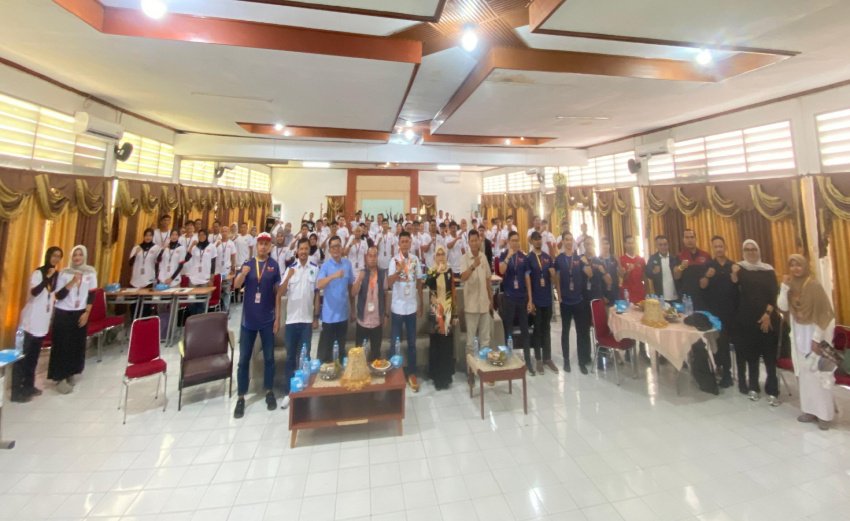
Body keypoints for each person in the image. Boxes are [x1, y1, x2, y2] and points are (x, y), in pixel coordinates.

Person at [778, 254, 836, 430]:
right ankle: (810, 410)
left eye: (798, 265)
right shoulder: (791, 286)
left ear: (805, 266)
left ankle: (825, 415)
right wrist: (784, 287)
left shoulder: (814, 286)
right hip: (798, 336)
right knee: (805, 376)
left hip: (815, 335)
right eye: (792, 265)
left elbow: (823, 314)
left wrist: (817, 339)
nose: (795, 269)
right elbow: (782, 306)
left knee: (819, 376)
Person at [232, 232, 282, 418]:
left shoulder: (274, 266)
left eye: (266, 244)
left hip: (267, 320)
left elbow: (277, 294)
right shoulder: (248, 264)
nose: (263, 247)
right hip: (249, 321)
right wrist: (242, 274)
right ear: (256, 246)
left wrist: (278, 318)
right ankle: (241, 396)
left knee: (269, 358)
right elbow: (236, 285)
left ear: (270, 247)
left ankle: (269, 391)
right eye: (261, 243)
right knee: (244, 359)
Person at [732, 239, 780, 404]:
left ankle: (772, 390)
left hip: (768, 319)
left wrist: (767, 314)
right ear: (743, 252)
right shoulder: (740, 268)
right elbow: (734, 288)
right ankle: (753, 387)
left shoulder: (768, 270)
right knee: (752, 356)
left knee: (769, 357)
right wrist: (734, 274)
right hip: (747, 320)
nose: (751, 252)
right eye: (747, 249)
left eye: (754, 249)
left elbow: (773, 294)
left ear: (758, 251)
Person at [12, 247, 62, 402]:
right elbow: (34, 292)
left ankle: (28, 385)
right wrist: (47, 278)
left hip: (42, 323)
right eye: (54, 255)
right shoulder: (38, 273)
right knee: (21, 358)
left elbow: (56, 295)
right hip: (28, 323)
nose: (56, 259)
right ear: (48, 256)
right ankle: (16, 392)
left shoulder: (57, 276)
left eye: (59, 256)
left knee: (33, 358)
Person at [48, 245, 97, 394]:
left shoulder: (90, 272)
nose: (77, 258)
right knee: (62, 345)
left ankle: (70, 372)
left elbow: (92, 295)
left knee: (75, 345)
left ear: (84, 256)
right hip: (63, 313)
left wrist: (87, 313)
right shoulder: (64, 273)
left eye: (80, 255)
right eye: (75, 255)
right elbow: (59, 295)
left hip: (80, 313)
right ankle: (60, 377)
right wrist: (72, 282)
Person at [280, 237, 320, 407]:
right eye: (301, 249)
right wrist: (288, 278)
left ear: (309, 251)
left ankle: (305, 390)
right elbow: (281, 292)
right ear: (296, 251)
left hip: (306, 321)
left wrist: (316, 317)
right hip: (291, 320)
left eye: (306, 249)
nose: (303, 251)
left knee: (305, 357)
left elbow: (317, 294)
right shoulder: (290, 269)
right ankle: (289, 392)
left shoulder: (314, 269)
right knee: (290, 357)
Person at [388, 231, 424, 391]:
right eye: (402, 241)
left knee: (412, 343)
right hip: (397, 307)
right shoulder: (394, 260)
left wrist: (421, 302)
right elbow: (389, 283)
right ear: (398, 244)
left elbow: (420, 282)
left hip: (411, 307)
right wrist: (398, 271)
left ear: (410, 243)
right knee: (395, 343)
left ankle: (412, 373)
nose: (404, 244)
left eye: (407, 241)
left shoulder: (415, 259)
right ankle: (393, 374)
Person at [699, 236, 736, 387]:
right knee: (718, 342)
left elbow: (737, 285)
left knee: (725, 342)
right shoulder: (708, 265)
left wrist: (735, 276)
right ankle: (721, 369)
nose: (719, 249)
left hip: (731, 310)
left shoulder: (732, 265)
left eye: (721, 246)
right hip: (715, 312)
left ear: (725, 247)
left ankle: (727, 373)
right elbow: (702, 285)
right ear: (712, 248)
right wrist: (707, 276)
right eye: (716, 247)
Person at [554, 232, 592, 374]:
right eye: (566, 240)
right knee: (565, 331)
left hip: (578, 300)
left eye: (571, 240)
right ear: (563, 242)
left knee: (581, 332)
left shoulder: (579, 258)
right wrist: (559, 296)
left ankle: (582, 361)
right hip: (565, 301)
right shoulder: (559, 259)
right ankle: (566, 360)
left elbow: (590, 274)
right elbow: (557, 279)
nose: (569, 242)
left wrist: (586, 261)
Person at [497, 231, 534, 374]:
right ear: (508, 242)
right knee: (509, 330)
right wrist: (508, 256)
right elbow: (501, 270)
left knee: (525, 330)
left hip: (522, 298)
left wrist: (530, 299)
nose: (516, 243)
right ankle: (509, 359)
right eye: (513, 240)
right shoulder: (503, 255)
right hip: (509, 298)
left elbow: (527, 279)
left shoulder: (524, 257)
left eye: (517, 240)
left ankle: (528, 361)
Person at [316, 235, 354, 361]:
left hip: (343, 315)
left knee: (340, 351)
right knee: (326, 354)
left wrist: (353, 310)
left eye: (338, 246)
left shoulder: (347, 264)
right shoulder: (326, 266)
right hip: (329, 317)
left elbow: (350, 287)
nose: (336, 249)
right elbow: (319, 284)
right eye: (333, 247)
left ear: (341, 247)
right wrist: (333, 276)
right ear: (329, 250)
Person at [525, 231, 557, 374]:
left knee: (547, 328)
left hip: (547, 299)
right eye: (535, 239)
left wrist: (553, 275)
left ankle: (547, 357)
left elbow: (553, 280)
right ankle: (538, 358)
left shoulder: (547, 257)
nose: (538, 241)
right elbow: (528, 282)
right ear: (531, 241)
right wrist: (530, 301)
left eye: (539, 239)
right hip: (536, 299)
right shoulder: (529, 259)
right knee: (537, 329)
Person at [425, 245, 456, 390]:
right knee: (436, 344)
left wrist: (455, 313)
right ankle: (437, 377)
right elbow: (428, 283)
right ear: (434, 257)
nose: (441, 257)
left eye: (443, 254)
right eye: (438, 255)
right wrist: (436, 271)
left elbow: (453, 292)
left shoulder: (449, 271)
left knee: (447, 344)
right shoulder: (431, 271)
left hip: (447, 312)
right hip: (435, 312)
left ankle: (446, 377)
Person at [461, 230, 493, 355]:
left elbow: (488, 279)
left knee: (485, 341)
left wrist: (491, 300)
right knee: (470, 342)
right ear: (468, 242)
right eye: (472, 241)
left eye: (476, 240)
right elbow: (463, 277)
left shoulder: (483, 257)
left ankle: (483, 365)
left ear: (479, 241)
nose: (474, 243)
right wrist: (473, 266)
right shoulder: (464, 258)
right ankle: (470, 366)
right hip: (471, 306)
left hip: (484, 304)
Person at [352, 246, 386, 361]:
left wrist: (385, 314)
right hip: (363, 321)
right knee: (359, 355)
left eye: (374, 256)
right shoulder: (361, 273)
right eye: (370, 256)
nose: (372, 258)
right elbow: (353, 293)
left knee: (376, 355)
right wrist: (359, 280)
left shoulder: (382, 273)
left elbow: (384, 294)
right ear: (366, 257)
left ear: (377, 257)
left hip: (377, 321)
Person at [129, 228, 162, 317]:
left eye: (150, 235)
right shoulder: (137, 247)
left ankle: (145, 321)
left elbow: (159, 261)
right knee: (134, 303)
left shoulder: (156, 248)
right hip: (136, 280)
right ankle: (134, 320)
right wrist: (135, 254)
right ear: (143, 236)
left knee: (146, 303)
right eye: (146, 235)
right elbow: (130, 263)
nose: (148, 237)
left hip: (149, 279)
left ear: (152, 237)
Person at [185, 229, 217, 316]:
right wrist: (191, 245)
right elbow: (186, 258)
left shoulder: (212, 247)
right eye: (199, 235)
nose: (201, 236)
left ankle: (200, 320)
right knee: (191, 301)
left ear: (207, 236)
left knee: (202, 302)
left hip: (205, 278)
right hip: (194, 278)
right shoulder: (195, 247)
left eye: (203, 234)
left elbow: (213, 262)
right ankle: (193, 319)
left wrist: (212, 277)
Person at [678, 229, 710, 310]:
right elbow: (676, 276)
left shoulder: (706, 255)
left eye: (692, 237)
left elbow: (711, 274)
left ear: (696, 239)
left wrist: (706, 277)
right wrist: (681, 267)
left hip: (704, 297)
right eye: (687, 237)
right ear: (683, 240)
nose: (689, 240)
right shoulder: (679, 256)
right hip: (687, 298)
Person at [645, 235, 681, 303]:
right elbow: (647, 273)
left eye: (665, 244)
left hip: (675, 296)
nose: (663, 247)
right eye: (660, 245)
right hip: (660, 297)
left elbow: (679, 276)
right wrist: (653, 272)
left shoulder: (674, 258)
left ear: (668, 245)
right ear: (657, 246)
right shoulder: (653, 258)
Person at [216, 225, 237, 314]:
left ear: (229, 233)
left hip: (227, 270)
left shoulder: (231, 243)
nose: (224, 233)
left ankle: (226, 311)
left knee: (226, 291)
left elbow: (233, 256)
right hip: (217, 271)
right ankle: (218, 310)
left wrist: (233, 267)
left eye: (226, 231)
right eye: (223, 231)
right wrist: (215, 246)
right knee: (218, 291)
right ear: (220, 233)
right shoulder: (217, 243)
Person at [619, 235, 646, 304]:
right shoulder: (621, 260)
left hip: (640, 294)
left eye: (632, 243)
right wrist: (628, 271)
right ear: (625, 245)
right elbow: (622, 279)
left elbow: (644, 278)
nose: (631, 245)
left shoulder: (641, 259)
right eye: (629, 243)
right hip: (628, 295)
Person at [595, 237, 620, 306]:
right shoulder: (597, 260)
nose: (605, 246)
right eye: (603, 244)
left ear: (609, 245)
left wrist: (619, 262)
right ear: (600, 246)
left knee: (617, 312)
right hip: (604, 293)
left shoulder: (614, 258)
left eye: (607, 244)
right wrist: (602, 295)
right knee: (606, 312)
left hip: (615, 292)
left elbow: (621, 275)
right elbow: (596, 280)